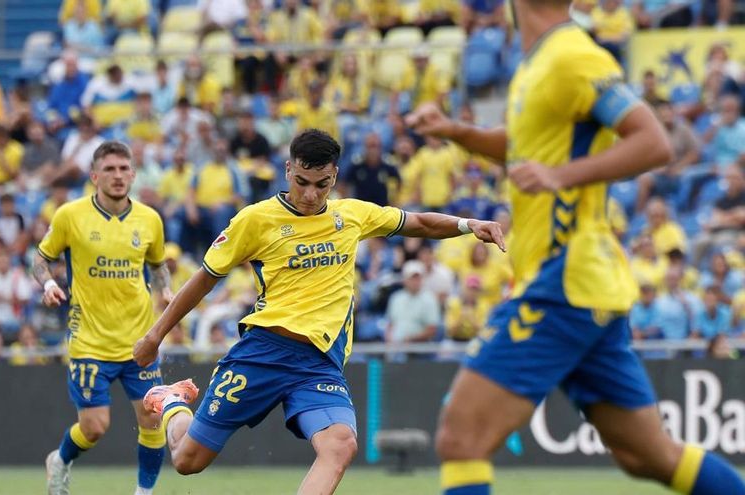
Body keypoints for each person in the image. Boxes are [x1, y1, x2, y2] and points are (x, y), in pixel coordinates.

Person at [404, 0, 745, 492]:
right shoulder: (538, 63)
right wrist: (458, 132)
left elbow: (653, 142)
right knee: (648, 455)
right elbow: (525, 148)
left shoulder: (572, 56)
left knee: (462, 437)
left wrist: (559, 176)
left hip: (563, 282)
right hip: (586, 286)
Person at [132, 129, 505, 495]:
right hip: (263, 352)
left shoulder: (352, 215)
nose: (310, 194)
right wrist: (155, 335)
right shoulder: (255, 220)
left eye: (321, 184)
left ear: (335, 177)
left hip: (318, 365)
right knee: (187, 460)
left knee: (340, 446)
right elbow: (204, 279)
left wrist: (468, 225)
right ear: (288, 171)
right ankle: (172, 402)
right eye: (302, 181)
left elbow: (418, 223)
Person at [33, 141, 175, 495]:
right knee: (95, 427)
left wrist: (166, 291)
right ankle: (61, 460)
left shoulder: (150, 219)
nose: (117, 176)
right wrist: (49, 282)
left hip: (139, 340)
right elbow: (39, 258)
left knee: (152, 417)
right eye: (109, 169)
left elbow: (157, 265)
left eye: (124, 168)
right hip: (90, 341)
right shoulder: (70, 216)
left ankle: (144, 493)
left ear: (133, 174)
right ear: (94, 175)